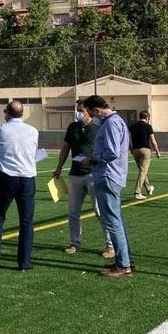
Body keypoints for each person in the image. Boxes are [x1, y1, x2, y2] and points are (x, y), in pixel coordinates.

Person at [0, 100, 39, 271]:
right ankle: (24, 262)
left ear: (7, 113)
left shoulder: (0, 130)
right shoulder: (33, 131)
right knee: (26, 222)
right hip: (27, 179)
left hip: (6, 177)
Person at [79, 95, 133, 278]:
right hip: (112, 174)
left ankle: (123, 265)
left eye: (88, 111)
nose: (89, 115)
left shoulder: (110, 124)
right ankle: (124, 259)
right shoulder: (116, 121)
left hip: (108, 175)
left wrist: (92, 159)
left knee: (112, 221)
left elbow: (112, 152)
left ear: (96, 110)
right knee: (116, 219)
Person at [53, 100, 114, 258]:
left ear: (89, 111)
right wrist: (59, 167)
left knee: (100, 211)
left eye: (81, 110)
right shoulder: (72, 127)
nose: (79, 113)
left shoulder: (98, 127)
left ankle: (110, 245)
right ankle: (75, 243)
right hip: (75, 175)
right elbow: (66, 147)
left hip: (93, 174)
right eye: (77, 110)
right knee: (73, 212)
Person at [129, 111, 161, 200]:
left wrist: (131, 148)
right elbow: (153, 140)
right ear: (147, 118)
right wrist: (157, 151)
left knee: (142, 170)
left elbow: (129, 139)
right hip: (145, 150)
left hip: (135, 150)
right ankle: (137, 192)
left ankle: (148, 188)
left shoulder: (132, 126)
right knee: (143, 171)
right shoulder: (148, 126)